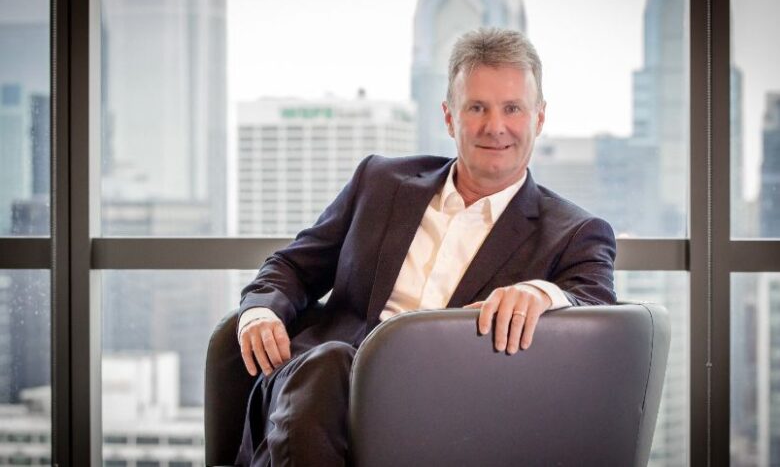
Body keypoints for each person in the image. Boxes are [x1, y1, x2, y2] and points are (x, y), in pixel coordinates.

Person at [234, 27, 616, 467]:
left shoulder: (575, 232)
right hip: (320, 394)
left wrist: (541, 293)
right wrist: (260, 311)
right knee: (330, 364)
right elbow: (294, 266)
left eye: (512, 108)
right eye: (477, 107)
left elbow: (597, 304)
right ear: (449, 117)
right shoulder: (379, 182)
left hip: (448, 418)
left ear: (540, 118)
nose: (495, 127)